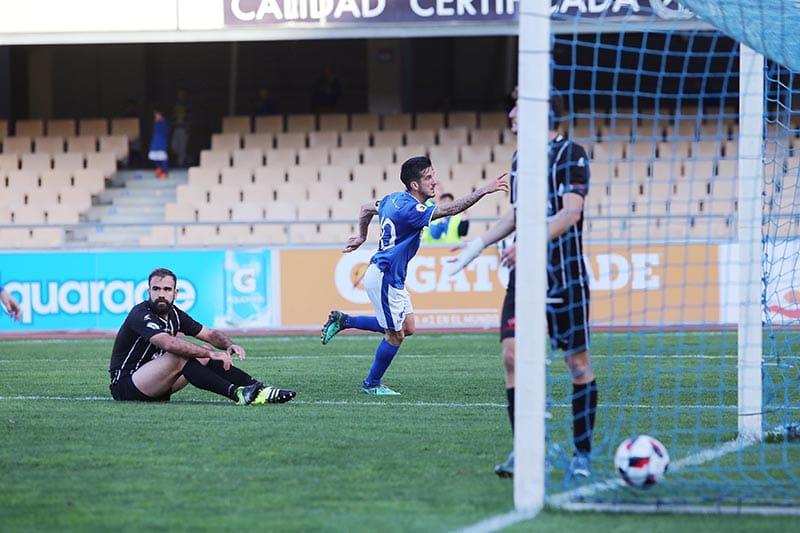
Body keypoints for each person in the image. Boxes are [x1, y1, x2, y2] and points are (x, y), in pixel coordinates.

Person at [447, 91, 597, 481]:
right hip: (524, 276)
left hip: (563, 274)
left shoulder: (570, 153)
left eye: (518, 106)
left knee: (577, 364)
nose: (511, 113)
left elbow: (571, 212)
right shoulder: (518, 160)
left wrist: (528, 245)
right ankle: (527, 451)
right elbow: (516, 214)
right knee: (512, 357)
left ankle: (582, 453)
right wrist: (478, 245)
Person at [319, 156, 508, 396]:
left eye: (433, 175)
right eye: (428, 178)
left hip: (392, 277)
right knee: (395, 335)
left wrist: (361, 236)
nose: (435, 182)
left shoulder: (392, 199)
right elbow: (450, 209)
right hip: (384, 276)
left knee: (408, 327)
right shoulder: (412, 210)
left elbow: (366, 208)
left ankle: (344, 320)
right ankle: (371, 384)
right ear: (414, 185)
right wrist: (484, 190)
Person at [108, 267, 296, 405]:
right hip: (126, 385)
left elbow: (209, 334)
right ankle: (238, 394)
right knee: (182, 354)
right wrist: (210, 355)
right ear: (148, 291)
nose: (161, 294)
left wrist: (228, 345)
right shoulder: (140, 314)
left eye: (166, 289)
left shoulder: (175, 314)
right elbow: (168, 343)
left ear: (175, 293)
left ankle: (260, 388)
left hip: (156, 383)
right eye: (156, 289)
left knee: (204, 349)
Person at [170, 88, 192, 168]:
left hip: (184, 129)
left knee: (182, 147)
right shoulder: (176, 105)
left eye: (182, 94)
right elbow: (173, 117)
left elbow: (190, 118)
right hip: (176, 128)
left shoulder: (187, 105)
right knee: (174, 146)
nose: (180, 96)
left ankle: (180, 164)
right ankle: (187, 158)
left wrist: (188, 129)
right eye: (179, 94)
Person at [148, 109, 169, 179]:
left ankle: (165, 172)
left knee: (162, 158)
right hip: (155, 143)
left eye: (157, 115)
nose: (156, 116)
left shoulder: (164, 123)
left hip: (161, 143)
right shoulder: (155, 123)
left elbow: (165, 133)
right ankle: (160, 169)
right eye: (155, 115)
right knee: (154, 157)